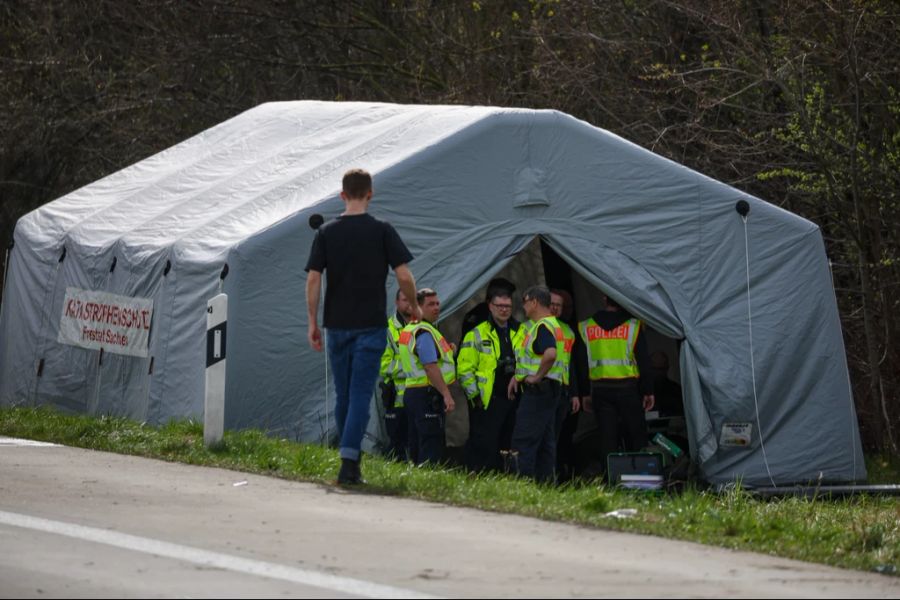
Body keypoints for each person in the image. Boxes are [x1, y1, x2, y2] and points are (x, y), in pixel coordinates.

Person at [305, 168, 419, 485]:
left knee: (343, 396)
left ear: (342, 195)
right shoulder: (382, 230)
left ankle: (349, 458)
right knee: (359, 395)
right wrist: (416, 305)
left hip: (336, 325)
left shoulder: (326, 233)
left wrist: (312, 321)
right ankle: (349, 462)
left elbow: (313, 278)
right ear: (370, 193)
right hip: (369, 325)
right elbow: (405, 276)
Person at [577, 295, 655, 479]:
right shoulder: (634, 326)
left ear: (604, 299)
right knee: (636, 434)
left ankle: (611, 480)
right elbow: (644, 361)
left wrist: (584, 393)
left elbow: (581, 364)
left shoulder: (586, 327)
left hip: (600, 390)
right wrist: (648, 390)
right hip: (628, 388)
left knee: (607, 438)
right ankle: (642, 480)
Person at [458, 287, 524, 473]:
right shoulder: (477, 333)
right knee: (484, 444)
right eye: (499, 306)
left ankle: (506, 478)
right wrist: (475, 397)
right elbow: (464, 369)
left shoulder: (521, 331)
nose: (504, 310)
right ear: (490, 306)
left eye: (508, 306)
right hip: (487, 400)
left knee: (510, 442)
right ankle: (479, 477)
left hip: (514, 398)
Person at [507, 285, 566, 483]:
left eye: (525, 302)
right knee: (545, 443)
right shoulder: (552, 325)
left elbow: (550, 354)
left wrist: (537, 377)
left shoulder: (542, 327)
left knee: (523, 441)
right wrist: (520, 376)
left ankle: (521, 486)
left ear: (534, 302)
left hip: (539, 391)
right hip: (550, 390)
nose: (523, 307)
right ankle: (545, 485)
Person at [398, 288, 457, 465]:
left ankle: (417, 481)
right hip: (427, 393)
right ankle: (428, 483)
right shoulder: (423, 332)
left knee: (416, 442)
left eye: (438, 303)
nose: (436, 308)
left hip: (413, 392)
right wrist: (446, 394)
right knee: (431, 443)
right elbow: (430, 366)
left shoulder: (410, 329)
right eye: (431, 304)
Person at [549, 289, 581, 482]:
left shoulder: (568, 331)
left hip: (562, 390)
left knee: (558, 437)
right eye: (551, 303)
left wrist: (575, 393)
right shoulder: (533, 326)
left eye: (558, 305)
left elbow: (570, 365)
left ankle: (557, 474)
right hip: (541, 390)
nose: (554, 308)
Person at [379, 290, 413, 461]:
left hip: (420, 398)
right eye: (405, 300)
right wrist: (414, 367)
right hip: (397, 401)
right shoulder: (387, 329)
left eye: (413, 300)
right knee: (397, 446)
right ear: (397, 302)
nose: (410, 304)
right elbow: (384, 365)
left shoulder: (423, 326)